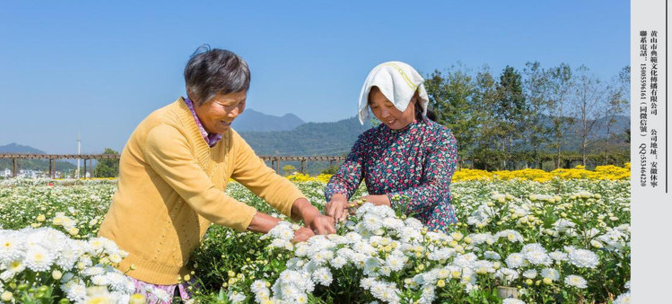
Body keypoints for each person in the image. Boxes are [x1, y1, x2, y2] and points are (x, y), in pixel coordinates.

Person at [99, 46, 335, 303]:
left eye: (241, 102)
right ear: (194, 93)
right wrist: (284, 230)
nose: (235, 113)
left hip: (179, 273)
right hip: (127, 268)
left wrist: (309, 212)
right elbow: (207, 199)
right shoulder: (164, 130)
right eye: (226, 104)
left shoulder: (225, 138)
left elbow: (266, 180)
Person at [324, 61, 458, 233]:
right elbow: (344, 178)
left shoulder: (438, 136)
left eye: (390, 105)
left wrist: (384, 201)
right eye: (375, 107)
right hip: (383, 233)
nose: (384, 114)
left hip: (431, 234)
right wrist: (338, 197)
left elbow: (434, 189)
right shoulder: (369, 140)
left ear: (413, 96)